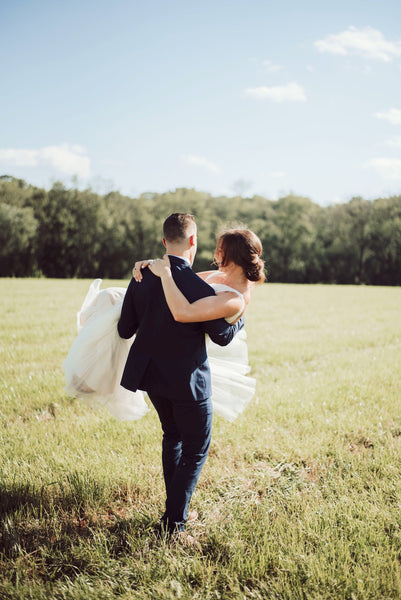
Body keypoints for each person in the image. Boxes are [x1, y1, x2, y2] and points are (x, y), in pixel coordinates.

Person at [116, 213, 246, 539]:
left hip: (150, 377)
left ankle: (173, 512)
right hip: (188, 382)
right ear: (193, 242)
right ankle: (174, 524)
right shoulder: (196, 286)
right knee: (196, 450)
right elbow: (222, 336)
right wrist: (240, 317)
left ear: (164, 241)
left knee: (171, 436)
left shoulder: (141, 276)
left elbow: (124, 328)